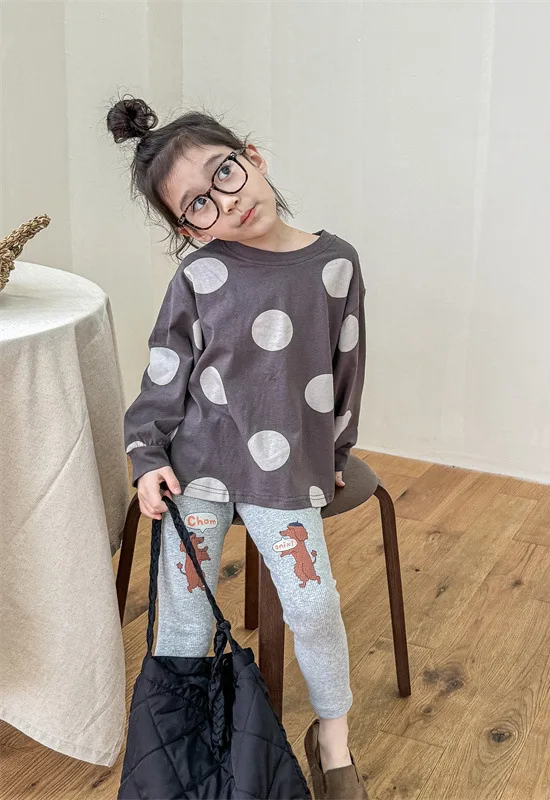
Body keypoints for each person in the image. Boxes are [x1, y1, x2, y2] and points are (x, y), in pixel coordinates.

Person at [107, 96, 368, 800]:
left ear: (252, 158)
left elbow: (345, 368)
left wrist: (334, 456)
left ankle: (333, 742)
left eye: (224, 174)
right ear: (186, 230)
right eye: (198, 205)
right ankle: (188, 752)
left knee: (313, 608)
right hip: (197, 469)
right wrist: (146, 456)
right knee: (184, 620)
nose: (225, 202)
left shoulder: (335, 264)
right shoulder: (199, 277)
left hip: (284, 474)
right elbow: (165, 375)